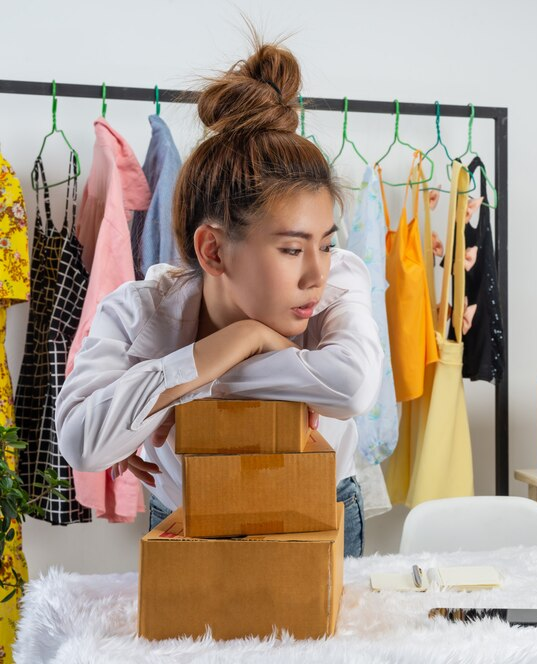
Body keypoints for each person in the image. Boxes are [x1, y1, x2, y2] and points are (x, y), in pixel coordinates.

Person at [54, 36, 383, 557]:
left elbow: (353, 387)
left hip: (318, 510)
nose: (316, 273)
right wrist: (243, 339)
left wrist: (172, 390)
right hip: (188, 513)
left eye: (326, 242)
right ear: (212, 251)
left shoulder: (339, 281)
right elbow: (79, 441)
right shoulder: (139, 309)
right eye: (292, 249)